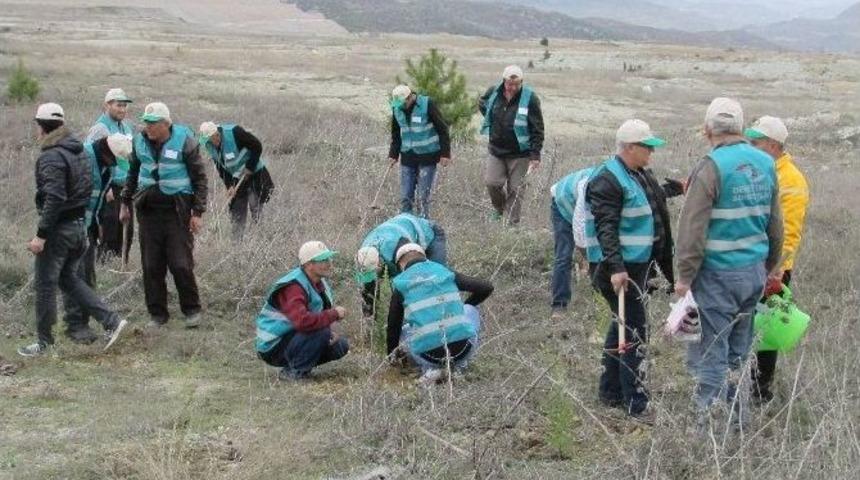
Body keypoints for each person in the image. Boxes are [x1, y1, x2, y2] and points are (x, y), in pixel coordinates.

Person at [675, 98, 783, 432]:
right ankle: (737, 424)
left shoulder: (711, 166)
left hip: (716, 276)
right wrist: (768, 267)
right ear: (740, 128)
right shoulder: (765, 163)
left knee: (710, 353)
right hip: (752, 273)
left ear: (707, 130)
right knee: (738, 352)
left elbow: (692, 229)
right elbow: (775, 224)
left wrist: (683, 278)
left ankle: (709, 435)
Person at [18, 103, 127, 357]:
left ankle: (44, 343)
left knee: (45, 284)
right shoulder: (78, 151)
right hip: (80, 228)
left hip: (59, 231)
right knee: (69, 279)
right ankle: (111, 320)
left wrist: (41, 235)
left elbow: (54, 197)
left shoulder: (52, 156)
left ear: (41, 126)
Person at [585, 119, 673, 423]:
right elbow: (605, 227)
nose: (651, 152)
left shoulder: (640, 175)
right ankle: (636, 403)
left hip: (637, 267)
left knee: (622, 324)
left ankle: (610, 392)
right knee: (634, 331)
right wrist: (616, 267)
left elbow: (657, 213)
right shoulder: (607, 179)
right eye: (647, 147)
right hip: (616, 271)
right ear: (630, 147)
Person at [119, 102, 208, 329]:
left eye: (152, 123)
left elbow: (200, 179)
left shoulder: (186, 142)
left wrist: (197, 212)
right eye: (146, 122)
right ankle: (157, 315)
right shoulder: (139, 142)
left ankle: (192, 310)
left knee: (180, 263)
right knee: (151, 265)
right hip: (148, 212)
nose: (148, 127)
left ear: (165, 124)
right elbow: (132, 173)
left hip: (177, 212)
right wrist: (125, 202)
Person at [745, 115, 809, 404]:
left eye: (755, 142)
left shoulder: (791, 179)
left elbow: (790, 231)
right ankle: (745, 385)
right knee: (749, 327)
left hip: (773, 269)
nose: (750, 146)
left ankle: (760, 392)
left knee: (766, 334)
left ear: (772, 145)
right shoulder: (761, 170)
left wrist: (778, 270)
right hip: (752, 263)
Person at [386, 243, 493, 384]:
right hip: (464, 349)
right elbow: (486, 287)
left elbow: (393, 327)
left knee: (403, 330)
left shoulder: (400, 284)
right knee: (469, 310)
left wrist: (391, 358)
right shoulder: (444, 271)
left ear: (401, 263)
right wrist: (464, 305)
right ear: (424, 257)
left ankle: (430, 369)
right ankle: (459, 367)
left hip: (428, 356)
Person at [63, 133, 134, 344]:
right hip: (70, 225)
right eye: (114, 160)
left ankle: (84, 324)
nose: (115, 164)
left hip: (89, 225)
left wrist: (97, 224)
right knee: (72, 276)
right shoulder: (80, 158)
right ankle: (78, 325)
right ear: (106, 152)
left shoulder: (106, 165)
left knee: (85, 276)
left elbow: (99, 196)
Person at [255, 241, 349, 381]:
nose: (329, 263)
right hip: (272, 346)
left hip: (290, 337)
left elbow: (315, 315)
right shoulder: (293, 286)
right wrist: (334, 314)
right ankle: (294, 372)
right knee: (321, 332)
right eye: (322, 260)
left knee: (340, 346)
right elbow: (303, 322)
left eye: (328, 258)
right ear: (308, 265)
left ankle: (300, 366)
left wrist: (330, 329)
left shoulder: (318, 282)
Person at [479, 65, 544, 225]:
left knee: (516, 189)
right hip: (496, 150)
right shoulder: (493, 92)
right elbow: (482, 103)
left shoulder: (530, 98)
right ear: (504, 81)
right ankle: (499, 209)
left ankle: (512, 224)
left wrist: (535, 154)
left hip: (520, 153)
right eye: (510, 83)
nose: (513, 87)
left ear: (521, 82)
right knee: (492, 183)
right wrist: (493, 120)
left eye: (517, 84)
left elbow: (538, 127)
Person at [355, 213, 448, 317]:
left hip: (430, 233)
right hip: (397, 230)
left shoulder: (398, 249)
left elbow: (410, 281)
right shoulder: (364, 256)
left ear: (380, 262)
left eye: (374, 272)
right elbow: (368, 292)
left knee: (435, 280)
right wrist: (369, 318)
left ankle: (442, 317)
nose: (374, 276)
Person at [198, 121, 275, 239]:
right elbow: (221, 168)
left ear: (217, 134)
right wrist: (230, 185)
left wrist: (249, 167)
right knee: (236, 210)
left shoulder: (235, 132)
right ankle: (236, 244)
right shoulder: (210, 146)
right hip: (237, 177)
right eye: (208, 140)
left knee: (255, 205)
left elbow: (257, 146)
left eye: (212, 139)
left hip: (255, 173)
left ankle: (262, 239)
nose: (212, 142)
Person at [388, 85, 451, 218]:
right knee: (406, 196)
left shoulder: (427, 104)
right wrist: (393, 154)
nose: (399, 106)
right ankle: (406, 222)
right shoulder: (396, 108)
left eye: (402, 103)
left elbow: (442, 129)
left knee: (423, 196)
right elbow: (396, 133)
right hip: (407, 156)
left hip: (427, 156)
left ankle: (423, 224)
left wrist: (445, 153)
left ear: (410, 98)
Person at [86, 88, 135, 261]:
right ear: (107, 105)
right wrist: (104, 188)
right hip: (110, 188)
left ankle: (121, 265)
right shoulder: (100, 129)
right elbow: (91, 161)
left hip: (126, 187)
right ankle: (104, 266)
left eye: (124, 105)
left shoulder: (126, 128)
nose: (122, 109)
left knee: (127, 231)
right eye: (118, 105)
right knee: (109, 231)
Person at [549, 167, 593, 317]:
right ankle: (559, 305)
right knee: (564, 255)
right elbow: (579, 228)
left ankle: (600, 298)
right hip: (562, 205)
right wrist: (588, 257)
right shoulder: (587, 185)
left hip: (583, 207)